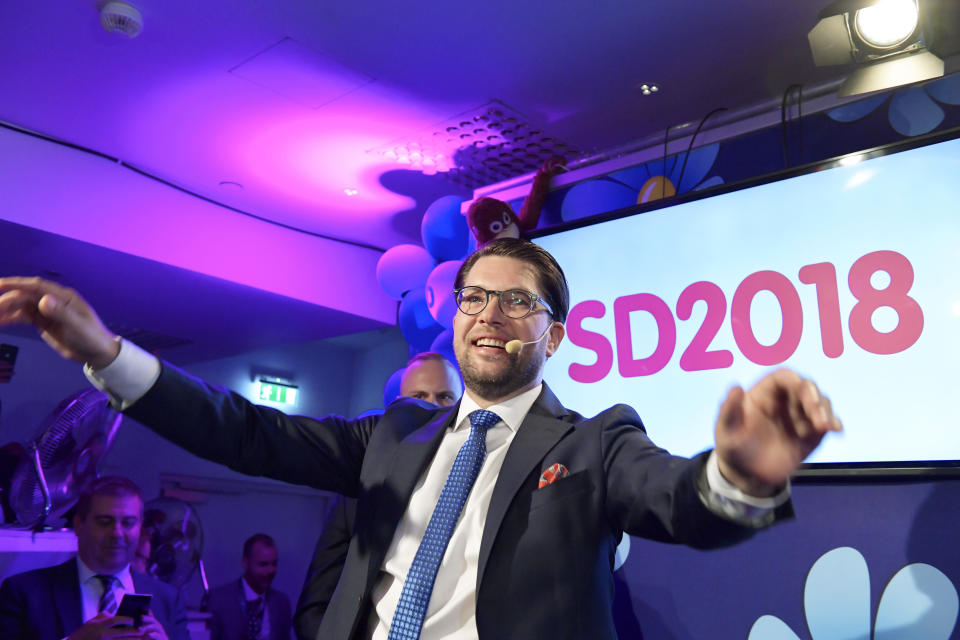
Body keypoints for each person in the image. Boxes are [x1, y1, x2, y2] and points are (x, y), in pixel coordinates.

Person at [0, 238, 841, 640]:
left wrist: (740, 473)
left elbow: (676, 501)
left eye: (518, 302)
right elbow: (247, 433)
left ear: (556, 335)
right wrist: (110, 357)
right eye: (475, 297)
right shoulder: (394, 432)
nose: (490, 315)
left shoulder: (596, 442)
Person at [294, 353, 463, 640]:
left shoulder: (484, 481)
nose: (432, 406)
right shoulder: (359, 494)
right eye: (419, 396)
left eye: (445, 397)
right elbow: (315, 607)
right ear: (397, 409)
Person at [0, 476, 188, 640]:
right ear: (79, 525)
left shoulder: (167, 600)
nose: (116, 533)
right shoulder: (23, 592)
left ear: (140, 529)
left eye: (128, 523)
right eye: (104, 522)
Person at [206, 534, 292, 640]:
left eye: (274, 564)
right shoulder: (219, 600)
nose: (270, 571)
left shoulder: (281, 603)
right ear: (245, 563)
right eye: (263, 564)